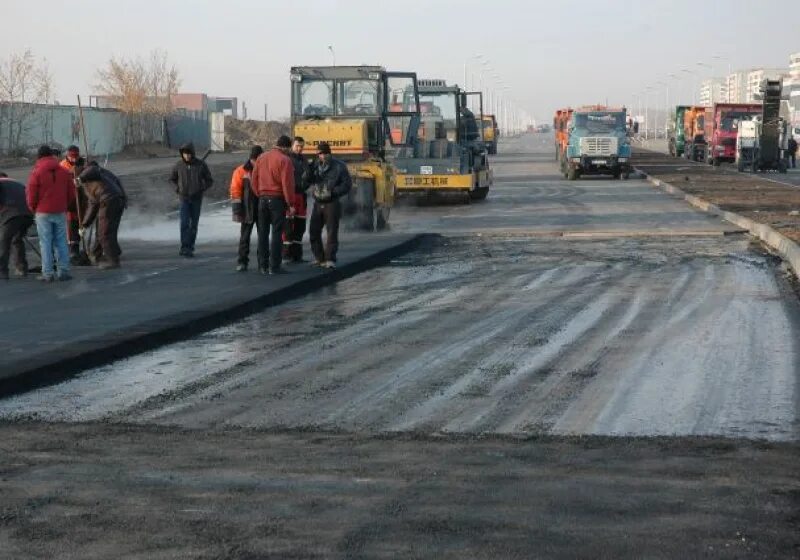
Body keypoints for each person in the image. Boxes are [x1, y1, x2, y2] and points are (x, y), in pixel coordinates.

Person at [26, 145, 75, 282]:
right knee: (61, 241)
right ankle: (63, 271)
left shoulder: (36, 172)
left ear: (39, 156)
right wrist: (65, 205)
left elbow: (31, 194)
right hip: (60, 211)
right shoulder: (64, 171)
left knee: (45, 242)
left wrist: (33, 208)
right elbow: (72, 193)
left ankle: (48, 273)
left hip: (42, 212)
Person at [250, 135, 296, 275]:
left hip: (262, 200)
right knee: (277, 233)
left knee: (262, 233)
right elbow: (287, 184)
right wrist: (290, 204)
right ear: (286, 147)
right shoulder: (285, 160)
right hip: (277, 200)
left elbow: (254, 180)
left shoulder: (261, 158)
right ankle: (275, 266)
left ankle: (262, 266)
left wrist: (260, 194)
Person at [308, 142, 352, 269]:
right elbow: (307, 180)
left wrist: (333, 192)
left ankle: (330, 259)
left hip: (332, 202)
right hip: (318, 202)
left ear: (328, 153)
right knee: (314, 231)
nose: (320, 156)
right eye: (319, 154)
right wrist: (308, 170)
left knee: (331, 232)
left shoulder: (339, 166)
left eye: (323, 153)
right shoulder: (315, 165)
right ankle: (319, 258)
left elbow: (347, 185)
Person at [78, 162, 126, 269]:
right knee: (108, 230)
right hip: (117, 200)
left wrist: (84, 224)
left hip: (108, 201)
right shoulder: (106, 174)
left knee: (103, 233)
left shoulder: (90, 175)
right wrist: (85, 224)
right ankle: (102, 254)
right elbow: (94, 205)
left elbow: (92, 204)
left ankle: (112, 260)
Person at [169, 143, 213, 257]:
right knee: (184, 223)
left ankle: (190, 246)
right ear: (182, 154)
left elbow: (209, 180)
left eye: (188, 154)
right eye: (184, 154)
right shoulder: (178, 165)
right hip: (184, 199)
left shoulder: (201, 165)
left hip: (196, 199)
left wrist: (201, 188)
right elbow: (172, 179)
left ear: (192, 153)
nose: (187, 156)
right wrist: (177, 188)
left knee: (193, 224)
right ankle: (184, 247)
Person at [229, 145, 263, 272]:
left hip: (261, 210)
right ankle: (242, 261)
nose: (255, 162)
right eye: (254, 159)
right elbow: (235, 191)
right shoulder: (240, 171)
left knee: (263, 237)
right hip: (247, 210)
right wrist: (237, 210)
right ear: (250, 158)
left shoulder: (265, 170)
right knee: (244, 237)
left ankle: (263, 261)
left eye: (258, 159)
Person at [0, 172, 33, 280]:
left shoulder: (2, 183)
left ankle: (2, 271)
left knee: (4, 241)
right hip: (28, 215)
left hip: (11, 215)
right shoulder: (17, 183)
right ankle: (21, 268)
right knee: (17, 239)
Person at [283, 136, 311, 263]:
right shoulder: (287, 160)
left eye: (301, 146)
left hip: (301, 196)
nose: (299, 148)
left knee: (300, 226)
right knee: (288, 226)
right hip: (290, 195)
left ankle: (297, 255)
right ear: (292, 146)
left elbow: (309, 176)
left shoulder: (304, 161)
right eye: (297, 146)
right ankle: (286, 255)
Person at [60, 146, 87, 262]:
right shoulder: (62, 165)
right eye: (72, 157)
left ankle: (87, 247)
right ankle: (73, 250)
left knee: (83, 223)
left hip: (83, 199)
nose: (75, 160)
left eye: (76, 157)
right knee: (71, 224)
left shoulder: (84, 164)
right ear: (68, 155)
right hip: (70, 199)